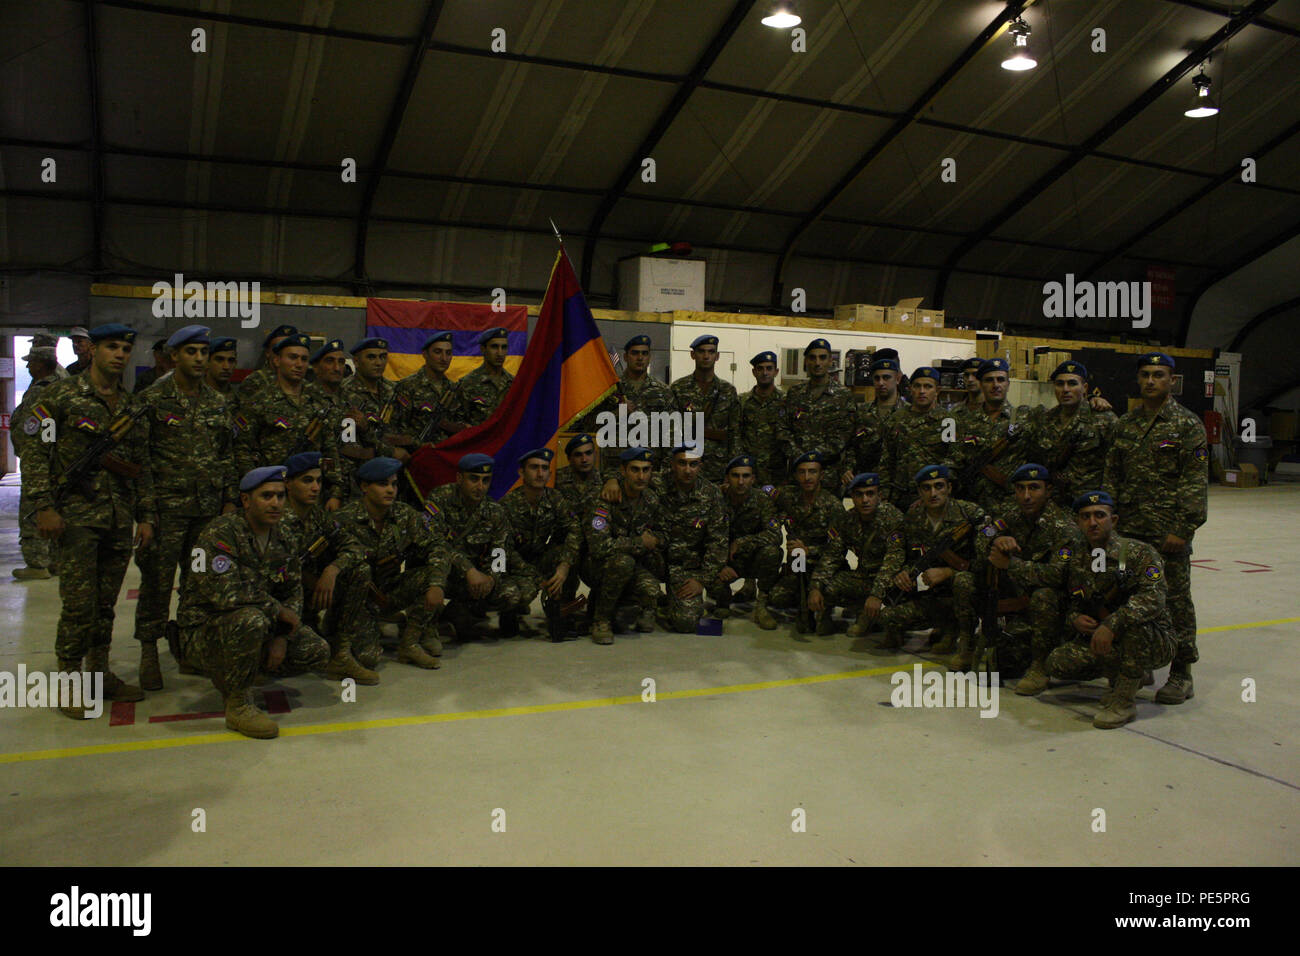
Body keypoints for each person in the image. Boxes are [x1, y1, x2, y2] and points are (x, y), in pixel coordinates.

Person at [24, 324, 155, 717]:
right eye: (111, 347)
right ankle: (69, 680)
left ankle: (99, 674)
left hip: (117, 519)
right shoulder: (61, 396)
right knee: (79, 606)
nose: (119, 354)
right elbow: (34, 454)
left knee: (106, 604)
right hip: (76, 518)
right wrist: (43, 506)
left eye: (125, 348)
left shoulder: (130, 406)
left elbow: (141, 466)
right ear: (92, 350)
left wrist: (146, 516)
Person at [176, 465, 330, 739]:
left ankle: (241, 669)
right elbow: (224, 593)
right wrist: (277, 610)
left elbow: (293, 591)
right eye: (266, 496)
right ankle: (238, 705)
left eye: (281, 496)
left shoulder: (284, 535)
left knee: (316, 649)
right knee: (251, 619)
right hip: (205, 631)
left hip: (257, 625)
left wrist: (282, 637)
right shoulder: (218, 534)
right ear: (246, 500)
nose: (275, 503)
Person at [132, 325, 238, 690]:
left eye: (202, 352)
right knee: (157, 585)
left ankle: (191, 649)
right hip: (166, 512)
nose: (198, 358)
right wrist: (146, 515)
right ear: (174, 355)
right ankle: (149, 651)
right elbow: (141, 460)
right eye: (190, 351)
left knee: (200, 584)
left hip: (206, 513)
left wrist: (228, 501)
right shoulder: (153, 398)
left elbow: (227, 456)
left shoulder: (218, 402)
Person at [1104, 352, 1207, 705]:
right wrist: (1109, 523)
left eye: (1158, 375)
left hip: (1167, 534)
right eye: (1145, 375)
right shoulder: (1125, 424)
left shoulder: (1187, 425)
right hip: (1128, 533)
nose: (1151, 381)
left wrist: (1184, 528)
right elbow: (1112, 477)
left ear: (1171, 381)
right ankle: (1138, 663)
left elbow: (1195, 482)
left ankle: (1181, 672)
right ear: (1138, 379)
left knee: (1176, 601)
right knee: (1127, 596)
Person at [1046, 491, 1175, 729]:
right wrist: (1076, 619)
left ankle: (1124, 701)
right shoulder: (1077, 557)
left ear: (1113, 520)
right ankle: (1124, 677)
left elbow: (1153, 598)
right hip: (1104, 637)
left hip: (1151, 639)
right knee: (1059, 662)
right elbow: (1075, 598)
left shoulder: (1139, 553)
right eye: (1085, 517)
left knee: (1135, 626)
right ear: (1077, 522)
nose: (1092, 522)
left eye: (1099, 515)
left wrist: (1112, 624)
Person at [328, 457, 443, 672]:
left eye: (394, 484)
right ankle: (337, 634)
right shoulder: (344, 519)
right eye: (383, 484)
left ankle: (410, 643)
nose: (390, 490)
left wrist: (436, 585)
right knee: (369, 659)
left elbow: (436, 547)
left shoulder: (404, 514)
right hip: (356, 601)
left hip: (388, 589)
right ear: (364, 487)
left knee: (431, 575)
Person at [974, 463, 1080, 691]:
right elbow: (983, 533)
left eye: (1034, 488)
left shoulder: (1064, 527)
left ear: (1049, 490)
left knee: (1044, 595)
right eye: (1020, 489)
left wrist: (1011, 564)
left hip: (1058, 610)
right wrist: (995, 541)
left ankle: (1040, 666)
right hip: (1024, 606)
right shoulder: (1012, 516)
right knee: (1003, 659)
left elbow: (1058, 575)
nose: (1026, 496)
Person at [874, 465, 983, 660]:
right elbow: (907, 555)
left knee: (963, 581)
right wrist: (902, 574)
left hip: (964, 592)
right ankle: (946, 627)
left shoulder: (971, 514)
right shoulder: (913, 517)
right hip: (931, 595)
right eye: (926, 488)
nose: (933, 493)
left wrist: (948, 572)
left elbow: (986, 562)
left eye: (938, 486)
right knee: (887, 617)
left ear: (949, 488)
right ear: (919, 492)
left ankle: (965, 642)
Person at [420, 453, 525, 640]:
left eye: (486, 480)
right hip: (442, 573)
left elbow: (500, 551)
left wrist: (491, 577)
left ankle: (459, 611)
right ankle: (425, 622)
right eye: (474, 479)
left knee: (511, 594)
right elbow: (433, 541)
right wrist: (468, 569)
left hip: (474, 580)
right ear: (459, 478)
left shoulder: (494, 511)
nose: (480, 487)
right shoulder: (440, 499)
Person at [233, 332, 342, 509]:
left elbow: (330, 448)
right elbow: (242, 449)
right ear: (277, 361)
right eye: (293, 357)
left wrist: (336, 491)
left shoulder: (319, 399)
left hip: (311, 492)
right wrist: (255, 485)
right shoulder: (259, 401)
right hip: (271, 491)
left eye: (304, 359)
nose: (299, 364)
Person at [583, 448, 663, 645]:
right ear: (623, 470)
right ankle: (601, 620)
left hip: (630, 564)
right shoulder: (604, 500)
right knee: (623, 563)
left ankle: (623, 606)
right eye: (635, 470)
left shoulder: (651, 499)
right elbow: (599, 547)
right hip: (596, 566)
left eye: (646, 470)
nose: (641, 476)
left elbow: (661, 532)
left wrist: (654, 539)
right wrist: (639, 543)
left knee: (652, 588)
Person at [811, 472, 905, 639]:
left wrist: (876, 594)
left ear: (879, 496)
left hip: (889, 580)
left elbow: (893, 560)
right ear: (852, 497)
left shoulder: (893, 518)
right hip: (863, 577)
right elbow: (832, 555)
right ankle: (832, 615)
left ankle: (867, 615)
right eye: (859, 494)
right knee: (829, 585)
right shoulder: (848, 519)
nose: (865, 500)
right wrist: (816, 586)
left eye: (870, 493)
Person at [500, 447, 581, 638]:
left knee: (568, 558)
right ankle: (509, 612)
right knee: (521, 593)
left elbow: (574, 529)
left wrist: (563, 566)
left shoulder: (555, 499)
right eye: (534, 467)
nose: (539, 473)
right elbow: (504, 550)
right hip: (515, 566)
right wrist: (537, 578)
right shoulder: (507, 505)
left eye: (544, 468)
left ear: (549, 473)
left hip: (540, 557)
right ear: (522, 472)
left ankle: (561, 613)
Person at [1018, 361, 1117, 506]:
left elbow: (1116, 466)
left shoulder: (1104, 420)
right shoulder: (1044, 420)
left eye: (1072, 384)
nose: (1065, 389)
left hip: (1088, 505)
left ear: (1085, 388)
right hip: (1052, 505)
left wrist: (1108, 504)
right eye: (1060, 384)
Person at [654, 446, 728, 633]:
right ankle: (652, 603)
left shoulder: (711, 494)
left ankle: (677, 606)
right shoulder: (657, 483)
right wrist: (613, 481)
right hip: (656, 561)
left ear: (700, 466)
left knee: (685, 624)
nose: (688, 470)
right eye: (682, 464)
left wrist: (702, 580)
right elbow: (627, 475)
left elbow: (718, 541)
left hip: (687, 566)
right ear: (672, 465)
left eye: (693, 464)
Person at [587, 334, 678, 486]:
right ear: (625, 357)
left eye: (644, 353)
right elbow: (590, 426)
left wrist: (666, 471)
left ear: (649, 357)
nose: (640, 358)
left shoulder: (663, 391)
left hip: (651, 470)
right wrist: (617, 413)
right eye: (635, 353)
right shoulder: (610, 390)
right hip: (614, 470)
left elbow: (672, 434)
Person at [767, 451, 843, 633]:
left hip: (825, 563)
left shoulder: (833, 506)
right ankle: (805, 605)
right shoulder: (790, 498)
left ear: (821, 475)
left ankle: (822, 609)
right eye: (802, 472)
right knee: (777, 597)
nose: (807, 477)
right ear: (796, 475)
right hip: (799, 561)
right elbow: (766, 491)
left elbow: (837, 548)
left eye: (812, 472)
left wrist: (809, 550)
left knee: (830, 589)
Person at [12, 345, 65, 580]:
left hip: (39, 461)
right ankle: (55, 561)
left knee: (33, 510)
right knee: (56, 508)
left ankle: (37, 563)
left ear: (42, 364)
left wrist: (31, 456)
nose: (27, 366)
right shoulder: (63, 386)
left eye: (31, 362)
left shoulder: (41, 392)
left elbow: (32, 429)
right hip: (58, 463)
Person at [713, 454, 782, 629]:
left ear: (753, 479)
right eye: (736, 476)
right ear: (727, 478)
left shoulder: (762, 500)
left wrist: (743, 542)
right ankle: (722, 599)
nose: (741, 481)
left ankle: (761, 605)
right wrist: (720, 564)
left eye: (746, 476)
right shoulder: (715, 499)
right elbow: (706, 536)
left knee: (772, 552)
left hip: (751, 558)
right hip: (723, 559)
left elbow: (775, 535)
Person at [953, 358, 1027, 515]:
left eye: (1000, 379)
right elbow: (953, 460)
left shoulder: (1024, 417)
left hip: (1012, 508)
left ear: (1008, 384)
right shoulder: (964, 421)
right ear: (981, 384)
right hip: (972, 507)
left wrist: (1091, 400)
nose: (995, 385)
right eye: (989, 380)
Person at [782, 338, 857, 493]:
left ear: (830, 361)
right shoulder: (795, 393)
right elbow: (783, 429)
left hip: (829, 477)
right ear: (806, 361)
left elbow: (846, 436)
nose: (817, 363)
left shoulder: (843, 396)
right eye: (812, 357)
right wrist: (798, 456)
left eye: (822, 357)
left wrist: (813, 458)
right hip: (798, 474)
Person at [877, 366, 954, 512]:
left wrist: (934, 493)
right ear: (910, 389)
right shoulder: (897, 419)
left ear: (937, 390)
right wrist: (885, 495)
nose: (922, 391)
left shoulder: (947, 421)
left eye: (928, 386)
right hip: (898, 497)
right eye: (917, 386)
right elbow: (886, 460)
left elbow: (952, 461)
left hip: (933, 497)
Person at [670, 334, 739, 483]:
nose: (706, 356)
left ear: (717, 356)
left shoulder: (727, 390)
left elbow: (735, 433)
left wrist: (733, 469)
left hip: (718, 469)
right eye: (701, 351)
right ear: (693, 355)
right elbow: (671, 431)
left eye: (711, 352)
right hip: (686, 467)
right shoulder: (679, 388)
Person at [391, 331, 466, 448]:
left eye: (448, 353)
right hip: (415, 455)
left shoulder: (454, 388)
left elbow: (462, 426)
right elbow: (395, 429)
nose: (444, 358)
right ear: (425, 354)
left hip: (447, 454)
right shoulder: (407, 386)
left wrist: (448, 425)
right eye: (438, 352)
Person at [844, 355, 907, 483]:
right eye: (877, 378)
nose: (881, 383)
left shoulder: (908, 413)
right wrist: (847, 469)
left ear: (898, 379)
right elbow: (851, 445)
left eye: (886, 377)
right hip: (865, 483)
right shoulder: (861, 412)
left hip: (896, 485)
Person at [737, 351, 788, 486]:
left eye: (769, 368)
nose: (765, 373)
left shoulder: (786, 402)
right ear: (754, 372)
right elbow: (735, 435)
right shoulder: (742, 401)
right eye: (760, 368)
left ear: (776, 372)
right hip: (748, 473)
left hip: (777, 475)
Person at [457, 327, 514, 427]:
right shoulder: (468, 383)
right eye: (494, 347)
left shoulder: (513, 383)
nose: (500, 353)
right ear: (483, 349)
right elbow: (459, 422)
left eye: (504, 347)